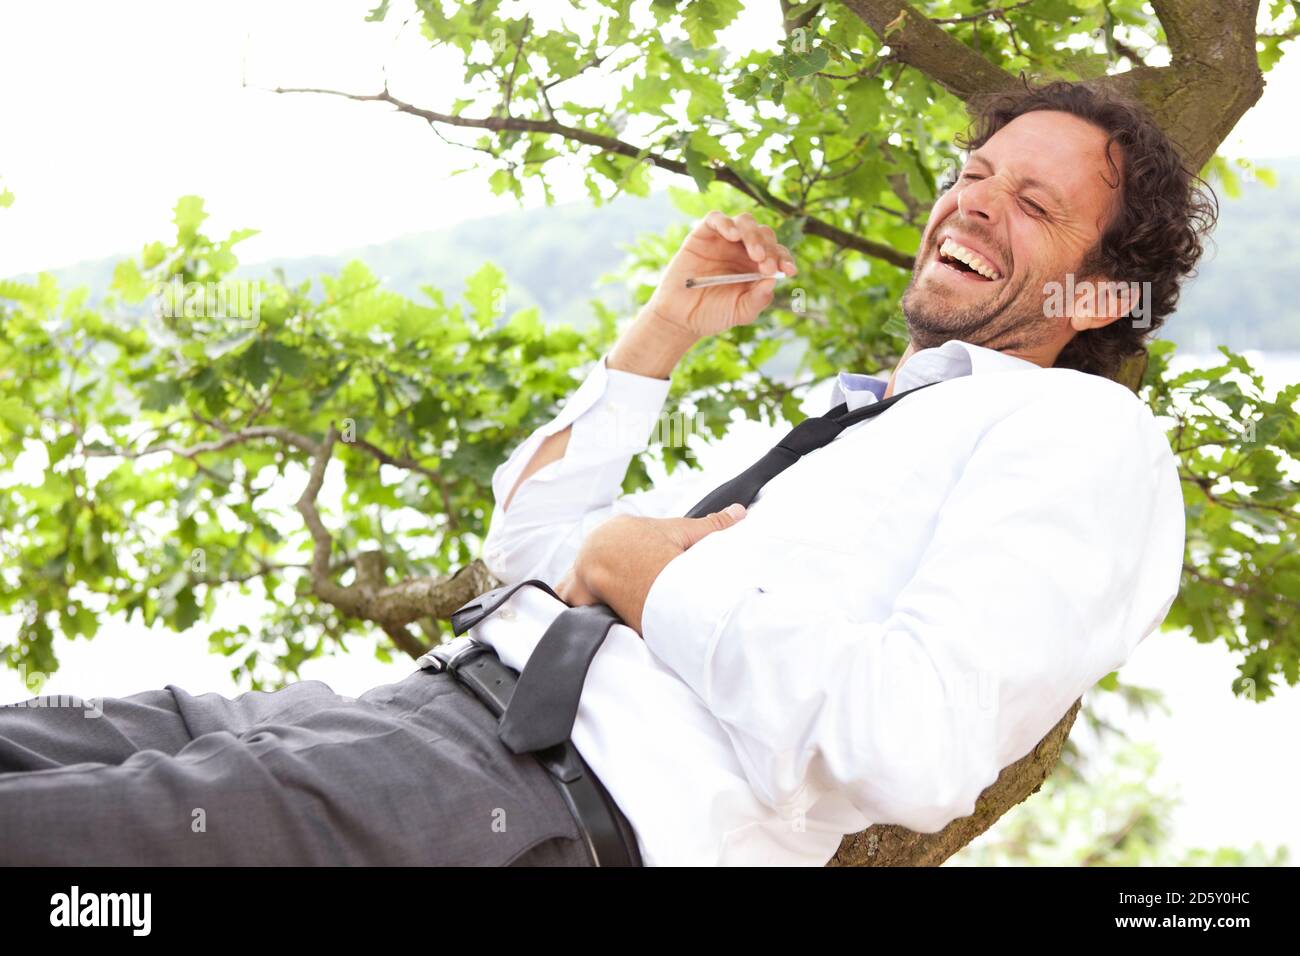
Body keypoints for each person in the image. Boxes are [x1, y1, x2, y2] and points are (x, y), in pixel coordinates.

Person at [0, 79, 1212, 866]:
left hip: (531, 802)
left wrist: (644, 572)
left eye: (1033, 200)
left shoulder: (1083, 438)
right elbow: (530, 554)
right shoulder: (870, 420)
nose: (974, 199)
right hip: (401, 715)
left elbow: (912, 738)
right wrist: (661, 337)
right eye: (974, 169)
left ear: (1099, 291)